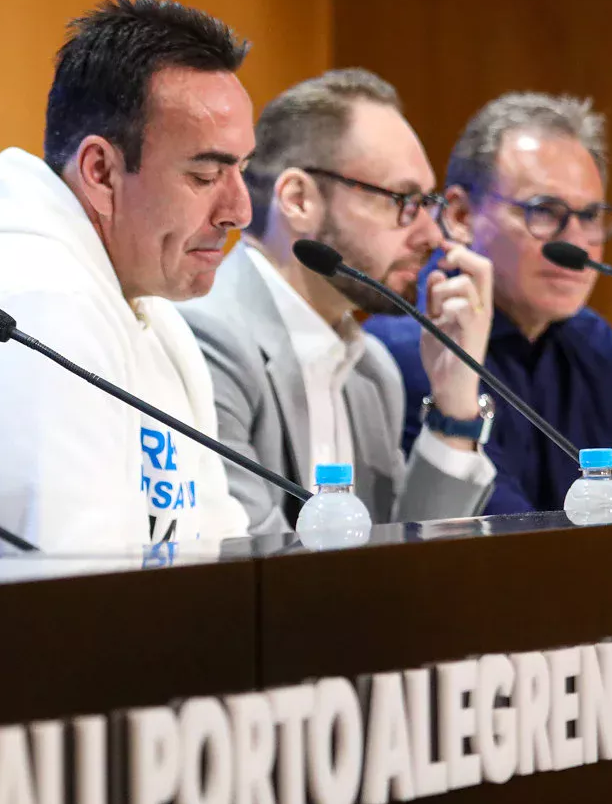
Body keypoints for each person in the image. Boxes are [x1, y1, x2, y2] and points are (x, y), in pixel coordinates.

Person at [0, 0, 254, 555]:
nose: (238, 211)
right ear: (100, 171)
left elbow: (217, 546)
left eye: (243, 170)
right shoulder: (33, 306)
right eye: (204, 175)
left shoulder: (148, 308)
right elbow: (57, 606)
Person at [180, 69, 497, 534]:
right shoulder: (206, 343)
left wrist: (454, 403)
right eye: (403, 201)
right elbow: (257, 582)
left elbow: (412, 570)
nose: (432, 235)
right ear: (299, 200)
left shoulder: (374, 372)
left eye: (428, 206)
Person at [367, 92, 612, 514]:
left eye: (590, 217)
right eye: (544, 211)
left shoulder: (594, 345)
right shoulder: (411, 348)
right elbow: (503, 540)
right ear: (459, 216)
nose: (575, 244)